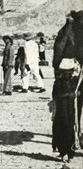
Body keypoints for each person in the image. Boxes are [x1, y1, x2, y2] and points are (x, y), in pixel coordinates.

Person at [51, 10, 83, 162]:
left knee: (66, 114)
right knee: (67, 114)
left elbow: (56, 58)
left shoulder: (69, 32)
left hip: (70, 79)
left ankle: (68, 146)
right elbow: (57, 59)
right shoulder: (70, 33)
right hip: (69, 80)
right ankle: (68, 147)